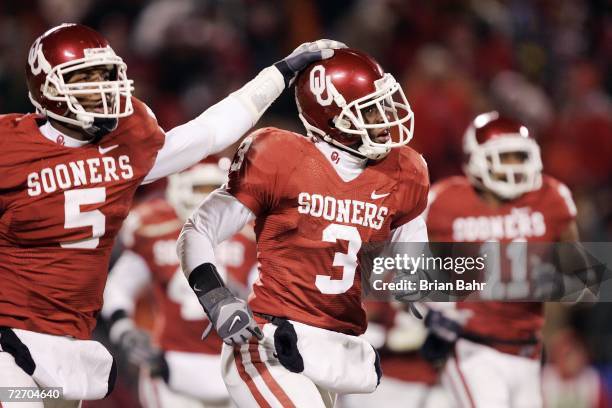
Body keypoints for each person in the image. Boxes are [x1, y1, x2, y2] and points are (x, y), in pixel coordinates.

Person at [0, 22, 343, 406]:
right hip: (8, 339)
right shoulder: (9, 146)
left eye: (106, 75)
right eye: (85, 78)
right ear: (47, 88)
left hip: (71, 343)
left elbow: (209, 132)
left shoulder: (129, 140)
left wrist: (277, 73)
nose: (103, 88)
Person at [178, 48, 430, 407]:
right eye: (371, 108)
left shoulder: (405, 170)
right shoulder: (280, 156)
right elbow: (199, 229)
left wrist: (423, 291)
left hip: (334, 350)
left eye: (384, 105)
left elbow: (415, 267)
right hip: (268, 342)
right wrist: (216, 297)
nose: (385, 118)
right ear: (331, 114)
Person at [424, 111, 579, 408]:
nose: (513, 166)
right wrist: (432, 307)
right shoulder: (445, 202)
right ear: (476, 158)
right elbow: (399, 263)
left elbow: (585, 278)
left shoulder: (552, 198)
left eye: (519, 157)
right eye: (504, 157)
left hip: (529, 351)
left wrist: (559, 283)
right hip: (471, 346)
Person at [102, 161, 257, 408]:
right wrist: (124, 327)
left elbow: (269, 296)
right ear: (179, 190)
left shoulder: (249, 234)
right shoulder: (156, 228)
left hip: (237, 364)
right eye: (200, 190)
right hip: (170, 363)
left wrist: (252, 301)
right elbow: (120, 286)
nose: (207, 200)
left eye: (213, 191)